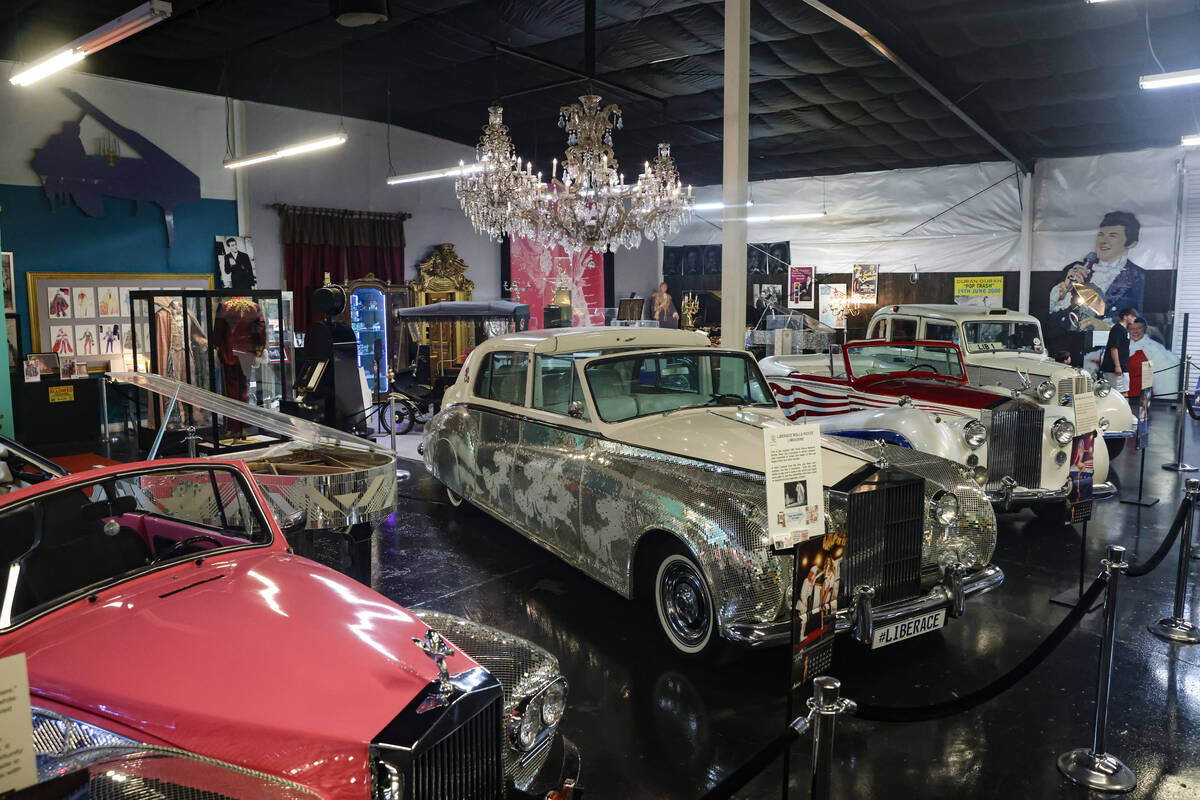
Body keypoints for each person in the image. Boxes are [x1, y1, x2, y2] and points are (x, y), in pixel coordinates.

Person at [1050, 211, 1146, 329]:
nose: (1103, 241)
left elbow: (1142, 324)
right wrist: (1064, 288)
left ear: (1131, 243)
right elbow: (1050, 312)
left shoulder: (1138, 276)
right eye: (1101, 234)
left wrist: (1107, 328)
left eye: (1112, 235)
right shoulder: (1075, 269)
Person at [1100, 306, 1137, 394]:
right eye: (1132, 316)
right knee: (1118, 393)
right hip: (1114, 369)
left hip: (1122, 367)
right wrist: (1117, 365)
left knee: (1124, 391)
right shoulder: (1117, 329)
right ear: (1125, 316)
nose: (1134, 318)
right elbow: (1114, 348)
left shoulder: (1124, 330)